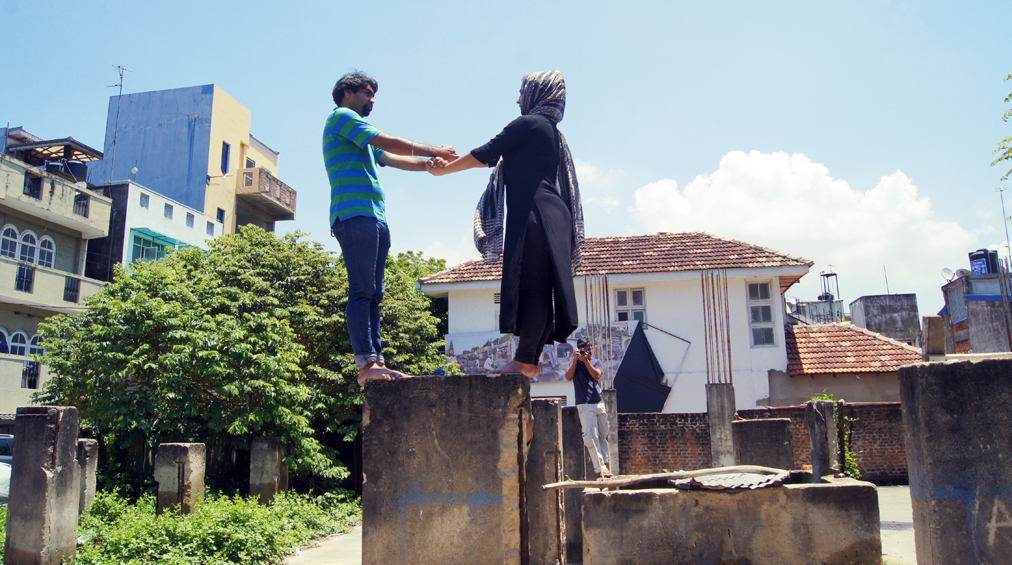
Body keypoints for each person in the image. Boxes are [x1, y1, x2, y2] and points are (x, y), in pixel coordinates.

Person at [429, 70, 583, 378]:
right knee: (542, 288)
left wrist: (444, 171)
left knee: (534, 288)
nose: (517, 99)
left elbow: (487, 153)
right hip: (552, 215)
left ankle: (526, 359)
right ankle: (530, 359)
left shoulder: (529, 124)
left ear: (539, 93)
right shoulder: (550, 130)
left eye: (523, 91)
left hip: (535, 214)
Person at [324, 71, 457, 386]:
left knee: (374, 293)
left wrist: (427, 165)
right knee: (361, 289)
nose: (372, 100)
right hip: (354, 214)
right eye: (367, 93)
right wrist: (433, 151)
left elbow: (393, 158)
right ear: (347, 92)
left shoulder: (360, 140)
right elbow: (388, 140)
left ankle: (377, 361)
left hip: (374, 217)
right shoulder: (341, 118)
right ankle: (366, 364)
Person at [565, 338, 612, 478]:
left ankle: (605, 464)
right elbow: (568, 376)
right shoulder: (575, 363)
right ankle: (600, 468)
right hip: (584, 404)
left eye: (590, 348)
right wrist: (576, 359)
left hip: (598, 402)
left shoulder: (596, 362)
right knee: (591, 437)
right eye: (585, 349)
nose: (588, 351)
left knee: (603, 435)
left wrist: (586, 361)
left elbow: (596, 376)